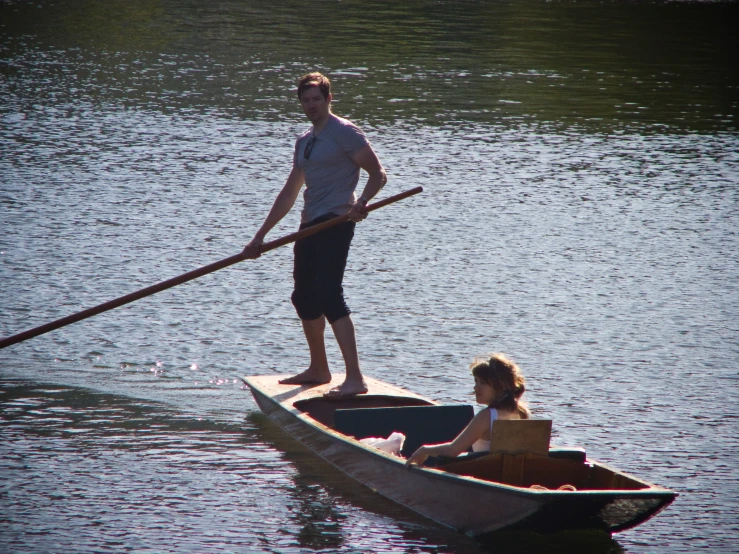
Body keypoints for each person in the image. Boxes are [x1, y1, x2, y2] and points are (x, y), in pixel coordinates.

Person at [243, 72, 387, 398]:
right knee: (303, 297)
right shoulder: (304, 141)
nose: (311, 105)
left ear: (328, 99)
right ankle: (319, 369)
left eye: (316, 99)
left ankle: (355, 379)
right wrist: (259, 237)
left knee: (329, 295)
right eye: (305, 100)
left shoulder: (345, 133)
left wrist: (362, 202)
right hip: (309, 224)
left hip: (336, 221)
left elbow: (378, 174)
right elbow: (289, 193)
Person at [405, 353, 530, 466]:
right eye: (476, 382)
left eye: (483, 383)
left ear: (501, 386)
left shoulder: (486, 416)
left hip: (488, 479)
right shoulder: (523, 413)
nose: (476, 388)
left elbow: (452, 451)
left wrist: (425, 450)